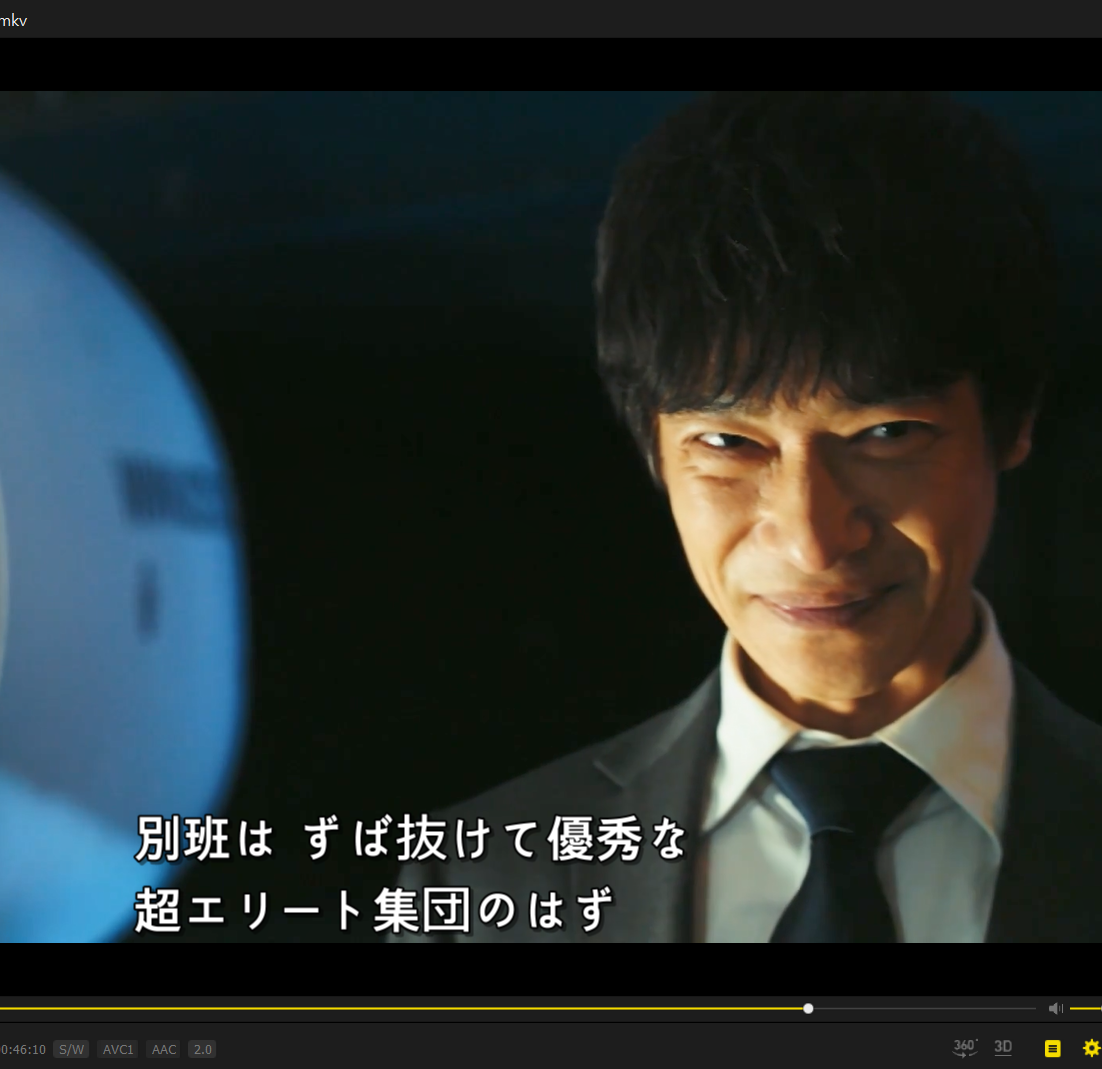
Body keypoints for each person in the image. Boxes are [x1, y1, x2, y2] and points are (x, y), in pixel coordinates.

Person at [389, 91, 1102, 943]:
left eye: (884, 434)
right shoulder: (477, 879)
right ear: (654, 450)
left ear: (1013, 423)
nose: (810, 538)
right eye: (728, 442)